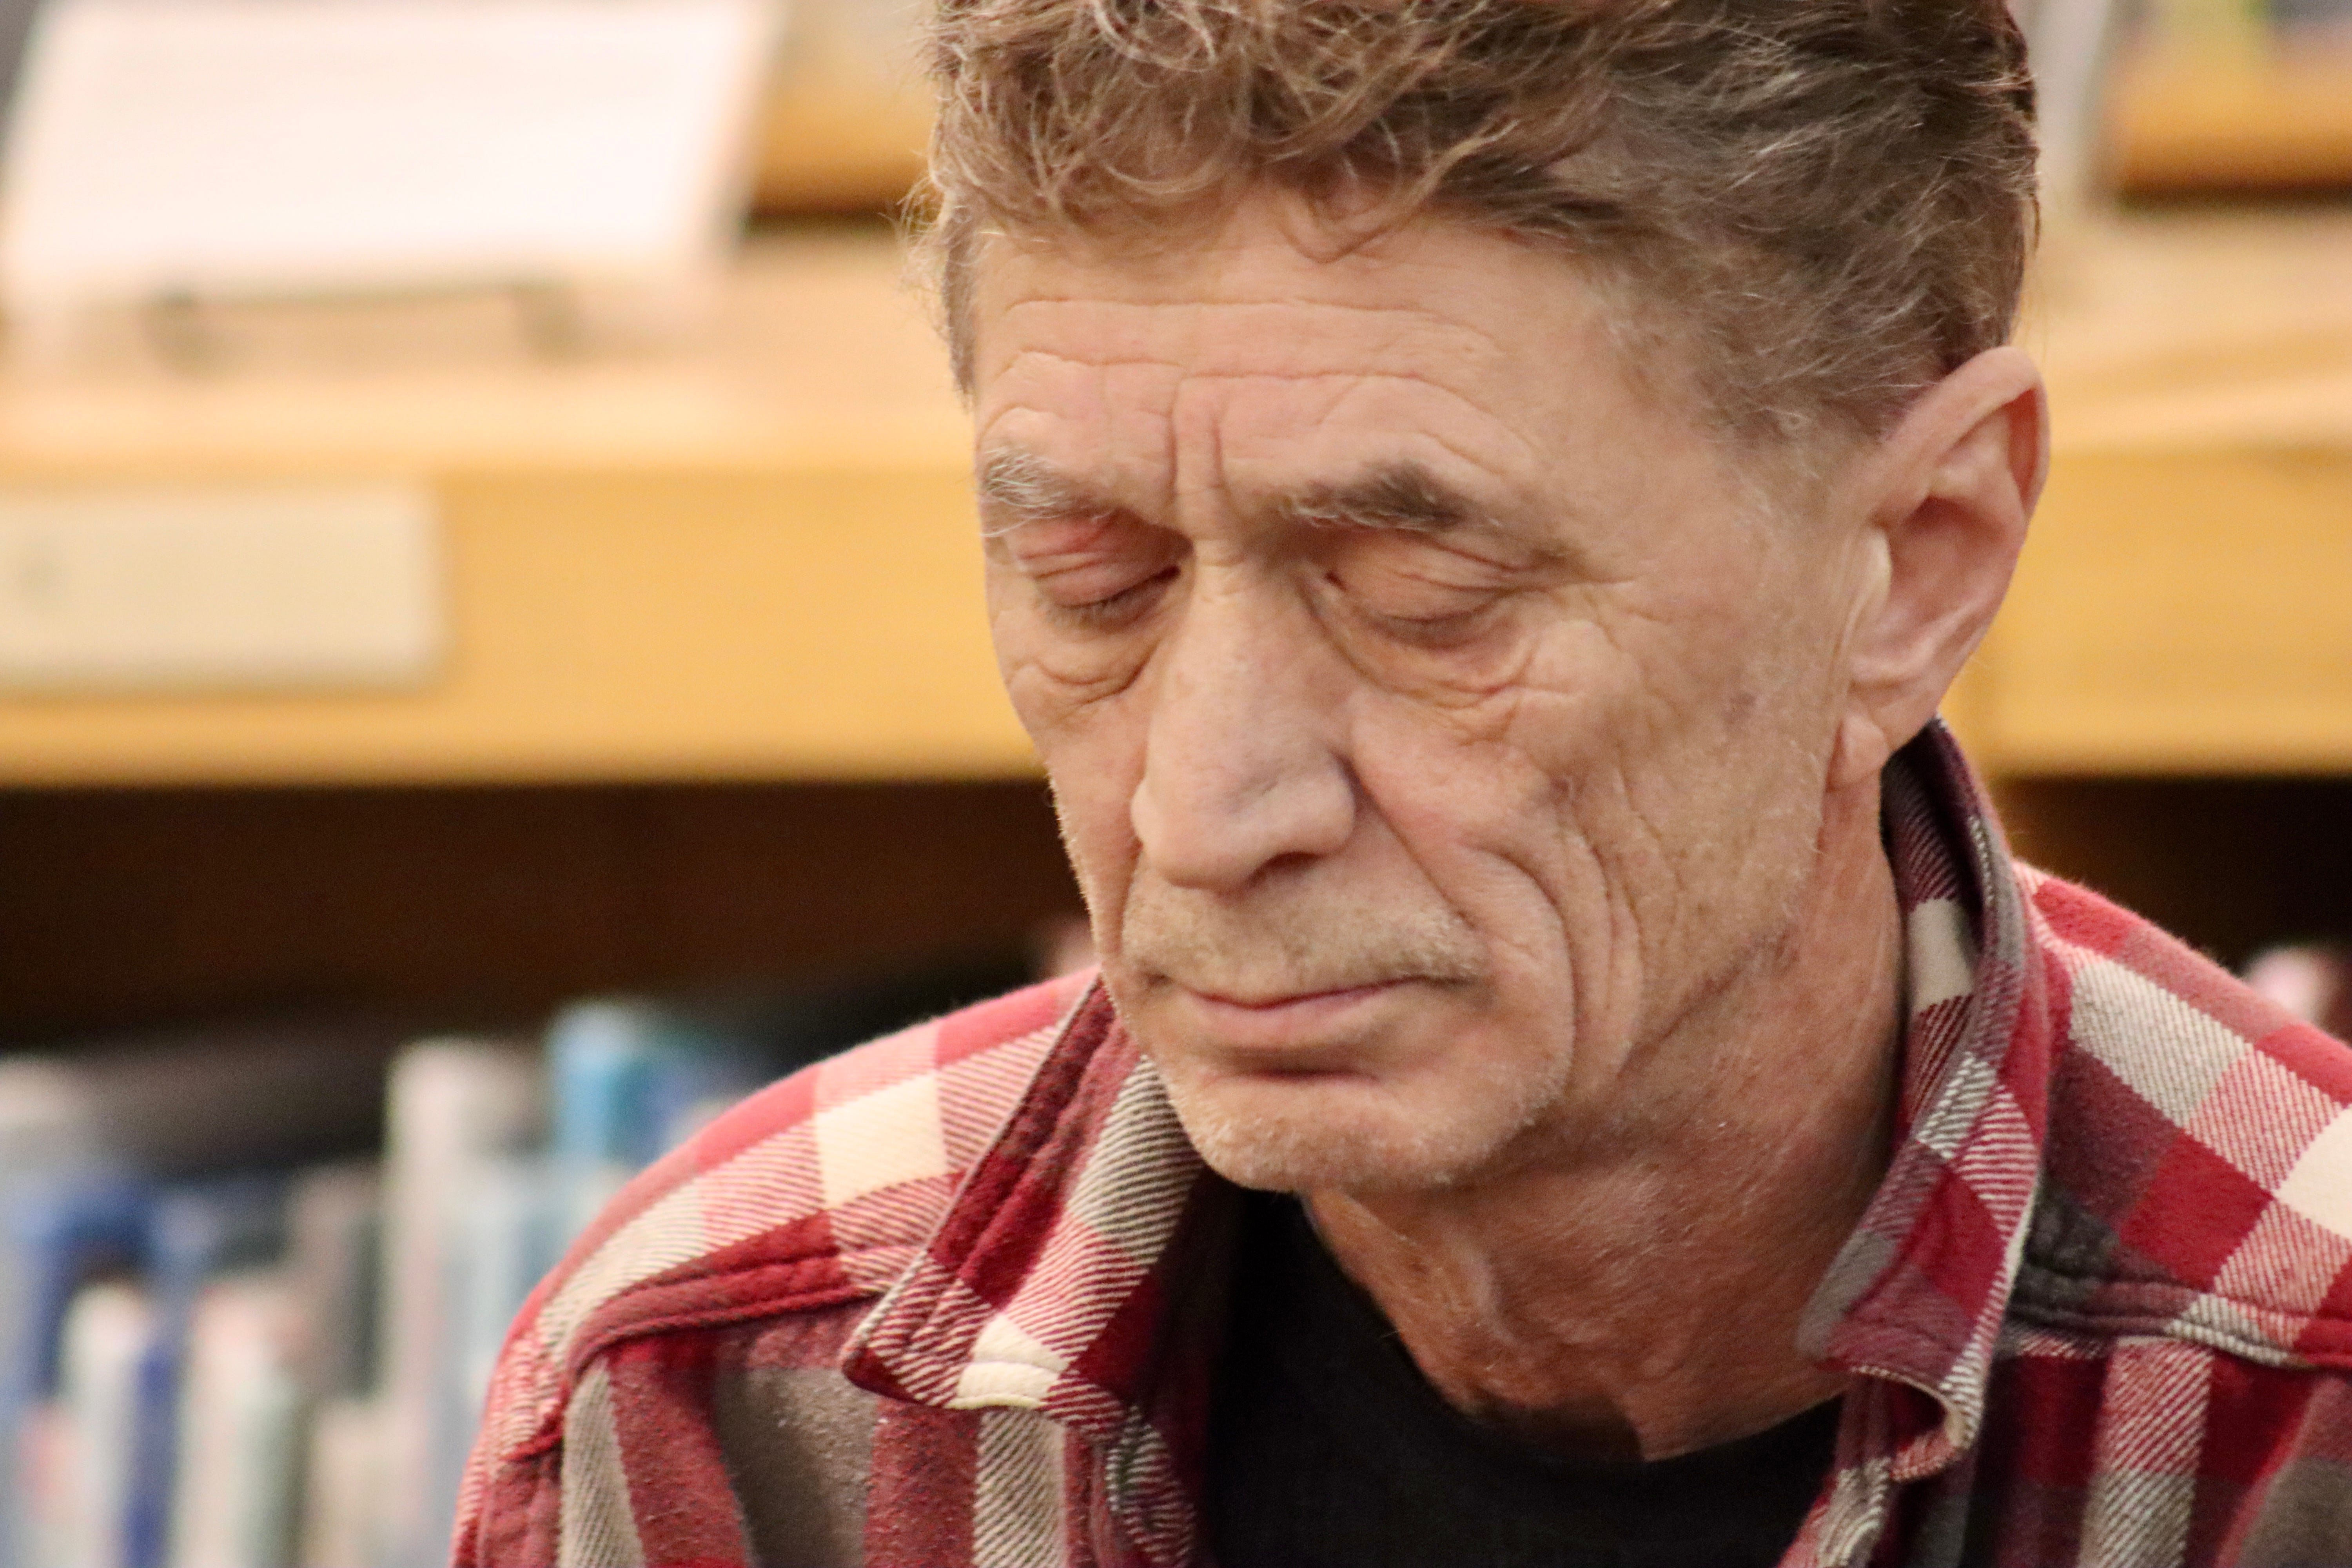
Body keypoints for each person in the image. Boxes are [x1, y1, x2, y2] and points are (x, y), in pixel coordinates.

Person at [456, 3, 2352, 1564]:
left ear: (1920, 558)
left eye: (1423, 593)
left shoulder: (2305, 1412)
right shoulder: (713, 1398)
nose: (1201, 815)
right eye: (1094, 579)